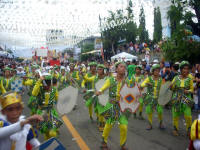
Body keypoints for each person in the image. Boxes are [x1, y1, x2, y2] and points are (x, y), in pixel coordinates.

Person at [96, 62, 135, 150]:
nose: (123, 68)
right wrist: (100, 91)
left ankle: (122, 145)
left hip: (122, 107)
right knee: (109, 124)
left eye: (124, 67)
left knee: (124, 127)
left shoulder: (127, 81)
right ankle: (104, 143)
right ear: (116, 69)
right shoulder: (111, 79)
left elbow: (130, 93)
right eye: (121, 67)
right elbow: (104, 87)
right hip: (112, 105)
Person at [170, 61, 194, 136]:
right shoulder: (176, 78)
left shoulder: (190, 79)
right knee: (175, 115)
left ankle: (189, 130)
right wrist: (171, 86)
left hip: (186, 99)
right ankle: (175, 129)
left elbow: (192, 90)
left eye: (187, 69)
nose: (186, 70)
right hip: (177, 98)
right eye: (184, 68)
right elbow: (172, 88)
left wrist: (188, 91)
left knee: (188, 115)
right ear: (180, 69)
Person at [82, 64, 107, 131]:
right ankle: (99, 122)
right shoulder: (94, 77)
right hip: (95, 96)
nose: (98, 70)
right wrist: (83, 75)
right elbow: (87, 79)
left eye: (100, 69)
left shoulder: (107, 78)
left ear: (103, 71)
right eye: (98, 69)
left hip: (104, 97)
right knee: (97, 109)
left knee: (102, 111)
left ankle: (101, 124)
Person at [141, 64, 165, 130]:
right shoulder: (149, 79)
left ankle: (161, 123)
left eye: (158, 71)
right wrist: (147, 84)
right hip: (150, 98)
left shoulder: (161, 79)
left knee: (160, 111)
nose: (157, 72)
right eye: (155, 71)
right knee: (149, 111)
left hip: (158, 98)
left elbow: (164, 88)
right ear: (153, 71)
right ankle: (150, 124)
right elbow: (142, 84)